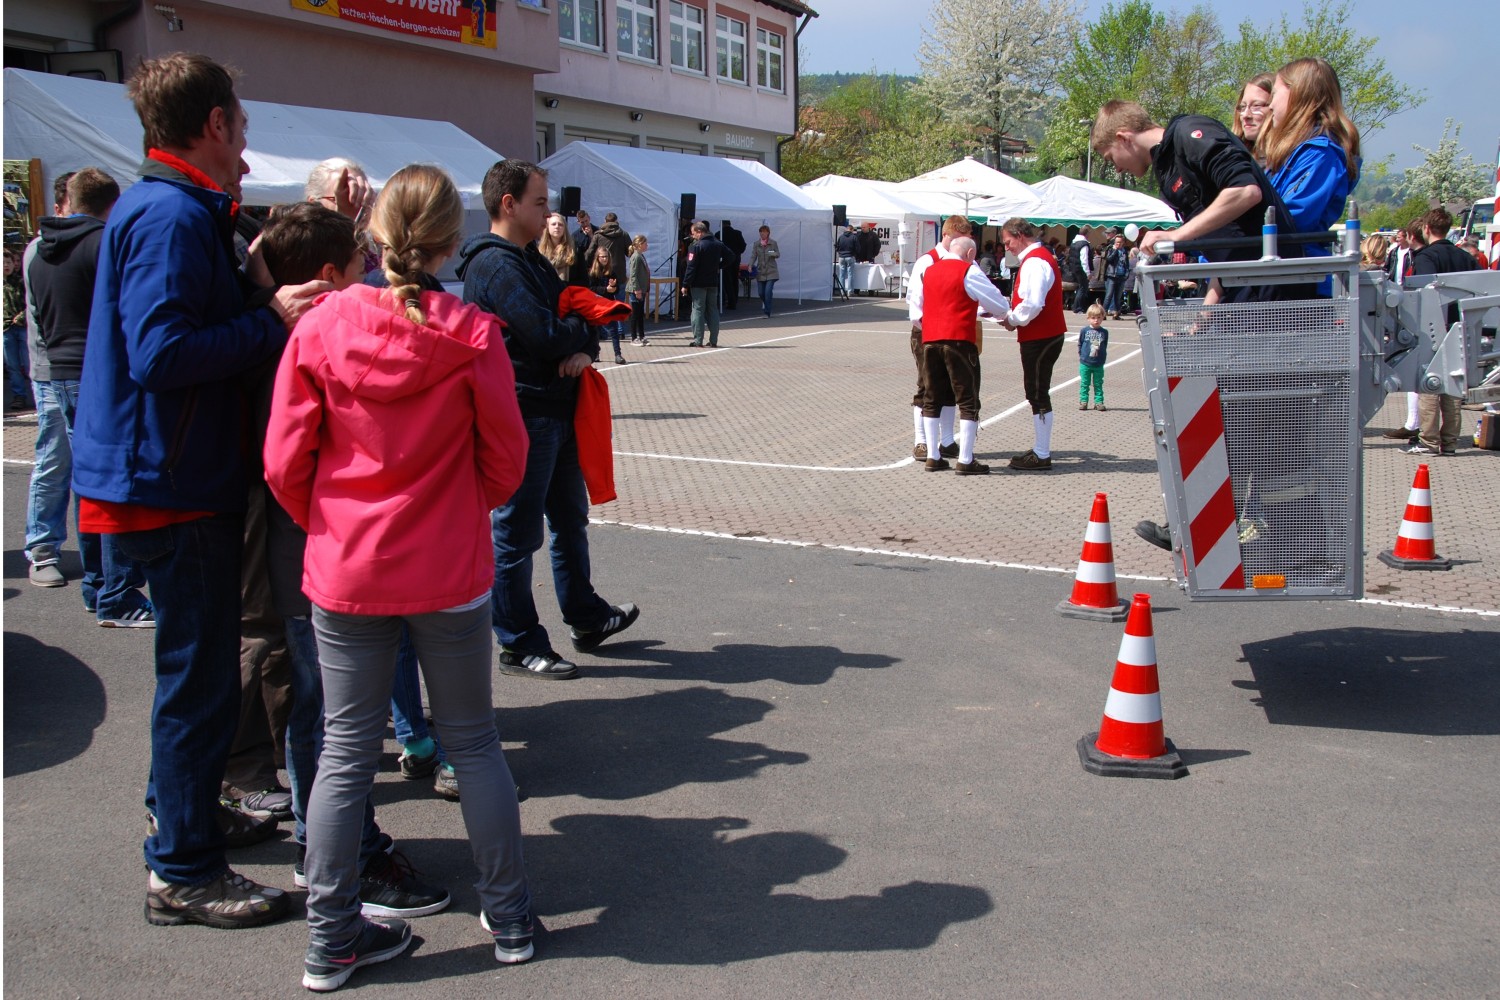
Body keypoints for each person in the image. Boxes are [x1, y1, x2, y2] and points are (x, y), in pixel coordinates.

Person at [71, 52, 327, 928]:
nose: (246, 143)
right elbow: (162, 354)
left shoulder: (170, 209)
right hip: (171, 482)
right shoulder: (171, 214)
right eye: (241, 124)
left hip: (170, 474)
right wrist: (271, 317)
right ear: (214, 124)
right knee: (199, 680)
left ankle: (184, 821)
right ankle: (182, 868)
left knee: (200, 674)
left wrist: (252, 298)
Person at [264, 164, 536, 991]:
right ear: (452, 240)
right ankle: (510, 917)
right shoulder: (472, 332)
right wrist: (459, 507)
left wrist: (331, 523)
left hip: (349, 565)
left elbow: (284, 461)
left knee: (345, 752)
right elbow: (507, 457)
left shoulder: (321, 326)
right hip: (448, 565)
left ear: (375, 235)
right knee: (473, 742)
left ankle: (330, 938)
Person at [254, 200, 451, 921]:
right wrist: (324, 520)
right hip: (318, 550)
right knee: (335, 726)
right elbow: (285, 462)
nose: (375, 276)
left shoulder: (296, 329)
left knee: (328, 718)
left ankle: (331, 864)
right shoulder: (307, 335)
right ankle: (345, 870)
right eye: (361, 265)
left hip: (319, 545)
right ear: (330, 274)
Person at [458, 159, 640, 679]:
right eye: (539, 203)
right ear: (508, 203)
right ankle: (518, 643)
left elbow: (580, 312)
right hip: (524, 414)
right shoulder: (497, 266)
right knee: (517, 535)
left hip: (554, 410)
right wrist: (579, 335)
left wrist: (583, 343)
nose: (548, 214)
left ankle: (586, 616)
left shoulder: (529, 259)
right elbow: (544, 333)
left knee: (568, 521)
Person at [21, 168, 153, 624]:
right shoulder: (102, 245)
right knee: (111, 484)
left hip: (59, 372)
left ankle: (99, 585)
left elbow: (41, 320)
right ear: (112, 205)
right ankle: (116, 592)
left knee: (86, 480)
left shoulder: (39, 250)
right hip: (96, 374)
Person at [1091, 99, 1303, 308]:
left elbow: (1246, 191)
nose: (1117, 169)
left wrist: (1176, 235)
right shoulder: (1166, 167)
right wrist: (1205, 314)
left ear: (1123, 138)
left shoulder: (1189, 131)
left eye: (1110, 158)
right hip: (1240, 290)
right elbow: (1224, 245)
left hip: (1272, 292)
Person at [907, 235, 1011, 475]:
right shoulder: (968, 271)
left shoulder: (928, 270)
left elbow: (916, 308)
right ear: (970, 253)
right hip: (958, 340)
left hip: (930, 340)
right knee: (967, 398)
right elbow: (999, 304)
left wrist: (930, 327)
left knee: (931, 397)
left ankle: (933, 457)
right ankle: (965, 459)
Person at [1259, 57, 1362, 296]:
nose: (1270, 105)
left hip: (1300, 282)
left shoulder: (1321, 154)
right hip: (1284, 277)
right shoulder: (1299, 153)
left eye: (1275, 94)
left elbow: (1292, 219)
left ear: (1297, 94)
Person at [1405, 207, 1481, 457]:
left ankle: (1429, 440)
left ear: (1426, 228)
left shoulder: (1426, 257)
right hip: (1460, 325)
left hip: (1433, 327)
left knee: (1429, 384)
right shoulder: (1465, 258)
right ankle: (1450, 442)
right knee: (1453, 385)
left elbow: (1423, 294)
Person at [994, 217, 1068, 471]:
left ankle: (1042, 453)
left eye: (1008, 242)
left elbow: (1034, 303)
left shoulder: (1035, 261)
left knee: (1037, 392)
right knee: (1036, 391)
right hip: (1043, 334)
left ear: (1020, 235)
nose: (1007, 248)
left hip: (1041, 335)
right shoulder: (1037, 258)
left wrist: (1013, 319)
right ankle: (1040, 450)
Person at [905, 215, 972, 461]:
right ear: (946, 234)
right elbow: (915, 302)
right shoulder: (927, 261)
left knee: (952, 385)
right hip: (927, 332)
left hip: (952, 333)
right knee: (927, 386)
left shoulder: (965, 261)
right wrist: (929, 329)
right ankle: (921, 441)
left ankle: (947, 441)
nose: (960, 244)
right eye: (957, 238)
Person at [587, 211, 632, 350]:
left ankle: (603, 331)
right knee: (618, 303)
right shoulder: (623, 234)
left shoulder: (598, 235)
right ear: (616, 221)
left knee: (601, 303)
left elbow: (590, 252)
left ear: (605, 221)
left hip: (601, 273)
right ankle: (620, 331)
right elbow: (629, 253)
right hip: (619, 273)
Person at [681, 220, 729, 347]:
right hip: (712, 282)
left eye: (693, 233)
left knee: (698, 310)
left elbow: (691, 267)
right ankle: (713, 340)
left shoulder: (696, 246)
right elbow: (731, 256)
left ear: (699, 232)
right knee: (712, 310)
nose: (692, 236)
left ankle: (698, 340)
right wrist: (719, 266)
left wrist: (685, 284)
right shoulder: (717, 243)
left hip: (698, 283)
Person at [3, 246, 32, 411]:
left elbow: (30, 302)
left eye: (8, 262)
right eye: (3, 263)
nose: (6, 265)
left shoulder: (21, 282)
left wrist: (21, 317)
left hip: (22, 327)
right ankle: (19, 396)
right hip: (5, 329)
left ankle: (36, 393)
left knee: (28, 363)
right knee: (12, 365)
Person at [588, 243, 627, 364]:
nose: (605, 259)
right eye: (602, 257)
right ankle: (595, 353)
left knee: (613, 330)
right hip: (596, 304)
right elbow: (590, 289)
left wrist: (613, 287)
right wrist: (605, 289)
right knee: (595, 330)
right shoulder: (592, 273)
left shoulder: (611, 272)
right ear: (597, 258)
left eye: (606, 257)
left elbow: (617, 289)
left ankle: (618, 354)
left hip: (608, 304)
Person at [1230, 73, 1274, 158]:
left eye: (1256, 105)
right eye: (1243, 106)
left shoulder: (1295, 160)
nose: (1246, 115)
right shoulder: (1235, 158)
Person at [1078, 302, 1109, 411]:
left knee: (1098, 383)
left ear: (1102, 318)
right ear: (1088, 318)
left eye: (1099, 317)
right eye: (1093, 318)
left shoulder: (1104, 332)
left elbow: (1104, 345)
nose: (1096, 320)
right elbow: (1080, 343)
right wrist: (1081, 355)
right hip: (1085, 363)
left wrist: (1102, 358)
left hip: (1098, 363)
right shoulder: (1084, 331)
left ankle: (1099, 402)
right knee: (1084, 383)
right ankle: (1083, 401)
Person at [539, 211, 584, 285]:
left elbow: (584, 281)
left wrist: (563, 285)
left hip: (568, 290)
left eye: (560, 224)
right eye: (553, 224)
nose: (557, 227)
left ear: (564, 228)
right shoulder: (540, 252)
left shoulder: (575, 249)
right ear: (547, 227)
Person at [625, 233, 651, 346]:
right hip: (636, 289)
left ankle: (641, 336)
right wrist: (637, 290)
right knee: (635, 314)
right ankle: (633, 337)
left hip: (642, 289)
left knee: (640, 313)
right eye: (645, 243)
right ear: (639, 244)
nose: (647, 245)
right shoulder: (636, 257)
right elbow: (633, 275)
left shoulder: (641, 256)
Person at [750, 224, 780, 317]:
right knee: (761, 293)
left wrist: (770, 252)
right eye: (761, 232)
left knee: (767, 292)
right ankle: (768, 303)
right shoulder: (756, 244)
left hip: (771, 271)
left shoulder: (773, 243)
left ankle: (767, 312)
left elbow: (778, 254)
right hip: (761, 271)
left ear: (768, 233)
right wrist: (750, 265)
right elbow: (753, 256)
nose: (762, 233)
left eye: (764, 232)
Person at [720, 221, 746, 310]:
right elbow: (743, 245)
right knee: (735, 279)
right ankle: (734, 299)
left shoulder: (719, 234)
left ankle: (731, 301)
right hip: (736, 259)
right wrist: (738, 253)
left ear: (722, 224)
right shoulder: (737, 233)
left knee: (727, 281)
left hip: (725, 260)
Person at [1102, 234, 1129, 319]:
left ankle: (1117, 313)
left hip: (1121, 275)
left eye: (1120, 242)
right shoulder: (1111, 249)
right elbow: (1109, 259)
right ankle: (1103, 313)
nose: (1118, 244)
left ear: (1123, 242)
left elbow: (1126, 263)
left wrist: (1127, 273)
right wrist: (1115, 250)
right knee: (1109, 295)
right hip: (1112, 275)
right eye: (1117, 242)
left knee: (1118, 296)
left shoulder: (1124, 251)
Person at [1065, 233, 1092, 313]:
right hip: (1081, 269)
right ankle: (1078, 308)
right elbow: (1084, 259)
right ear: (1087, 234)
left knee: (1080, 288)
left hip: (1074, 269)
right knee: (1082, 288)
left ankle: (1076, 306)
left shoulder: (1073, 243)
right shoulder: (1084, 244)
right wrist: (1088, 272)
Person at [835, 223, 859, 299]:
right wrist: (854, 254)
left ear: (846, 229)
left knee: (841, 275)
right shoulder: (854, 237)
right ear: (852, 230)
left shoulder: (841, 237)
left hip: (841, 257)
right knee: (850, 274)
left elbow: (837, 247)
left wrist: (840, 253)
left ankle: (842, 291)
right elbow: (858, 248)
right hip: (850, 256)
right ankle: (850, 291)